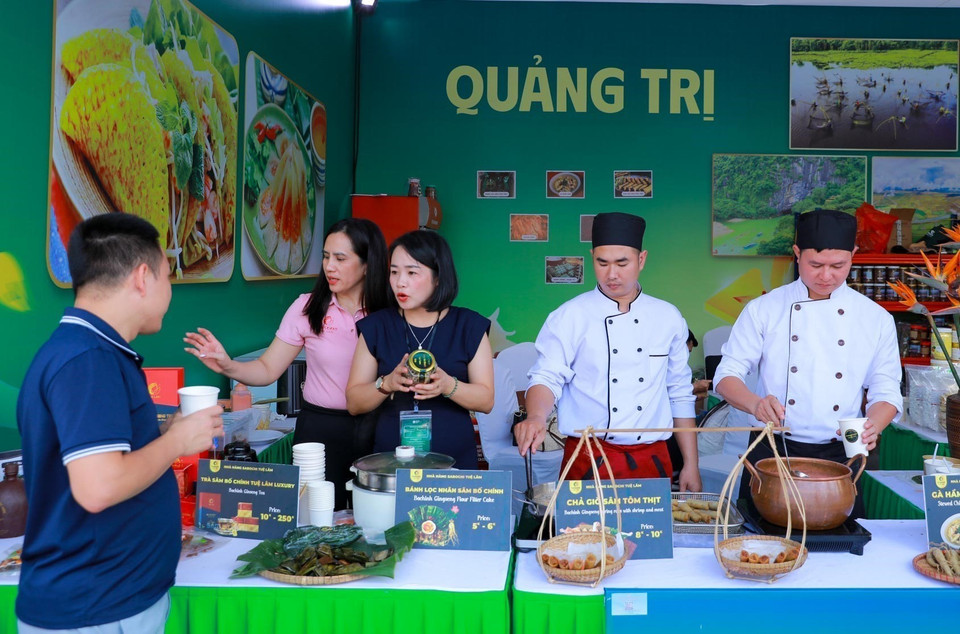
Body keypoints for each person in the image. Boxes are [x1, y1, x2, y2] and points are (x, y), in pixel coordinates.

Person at [16, 213, 223, 632]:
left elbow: (109, 461)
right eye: (168, 277)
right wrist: (178, 441)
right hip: (97, 610)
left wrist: (162, 435)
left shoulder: (91, 350)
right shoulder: (88, 360)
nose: (170, 292)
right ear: (143, 277)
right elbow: (99, 487)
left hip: (112, 601)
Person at [184, 218, 389, 510]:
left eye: (341, 259)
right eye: (326, 257)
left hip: (378, 426)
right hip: (320, 430)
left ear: (368, 263)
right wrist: (228, 365)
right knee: (316, 520)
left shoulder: (391, 313)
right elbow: (268, 369)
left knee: (375, 517)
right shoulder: (308, 307)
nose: (329, 266)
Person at [714, 208, 902, 514]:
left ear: (853, 255)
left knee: (840, 538)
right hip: (772, 444)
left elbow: (886, 388)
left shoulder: (875, 318)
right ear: (797, 254)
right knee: (762, 541)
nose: (826, 276)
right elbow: (726, 375)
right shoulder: (764, 309)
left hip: (844, 448)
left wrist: (873, 426)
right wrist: (755, 404)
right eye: (815, 264)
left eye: (838, 266)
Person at [514, 212, 701, 490]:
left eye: (622, 263)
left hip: (652, 457)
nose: (611, 274)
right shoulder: (570, 315)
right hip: (588, 457)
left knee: (647, 535)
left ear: (642, 260)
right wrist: (536, 417)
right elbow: (546, 376)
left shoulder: (668, 317)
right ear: (592, 258)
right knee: (581, 534)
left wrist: (691, 465)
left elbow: (679, 392)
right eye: (602, 263)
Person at [346, 230, 494, 468]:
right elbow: (354, 403)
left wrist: (448, 385)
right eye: (394, 272)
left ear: (438, 277)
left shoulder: (469, 326)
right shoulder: (376, 326)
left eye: (412, 272)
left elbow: (486, 400)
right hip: (391, 462)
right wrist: (386, 384)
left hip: (455, 462)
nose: (399, 282)